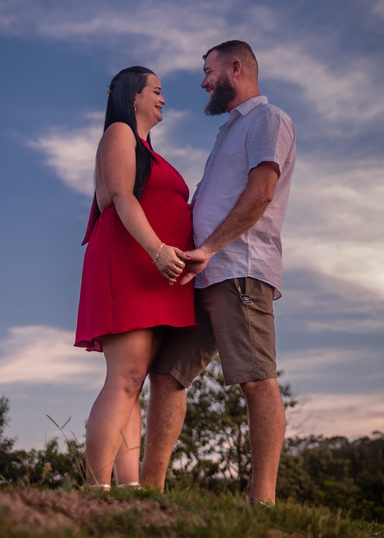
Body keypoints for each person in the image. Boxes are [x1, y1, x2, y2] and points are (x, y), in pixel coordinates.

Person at [140, 40, 296, 502]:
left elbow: (262, 192)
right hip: (205, 273)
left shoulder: (269, 121)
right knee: (166, 374)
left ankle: (261, 502)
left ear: (235, 68)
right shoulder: (229, 131)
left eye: (208, 71)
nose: (204, 81)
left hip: (240, 270)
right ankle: (149, 491)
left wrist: (207, 247)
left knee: (255, 379)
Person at [74, 66, 195, 488]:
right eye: (157, 91)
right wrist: (159, 250)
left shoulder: (148, 147)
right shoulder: (119, 133)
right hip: (131, 264)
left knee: (134, 381)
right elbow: (122, 195)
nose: (164, 99)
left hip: (156, 275)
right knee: (124, 378)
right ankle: (96, 488)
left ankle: (129, 489)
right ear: (133, 97)